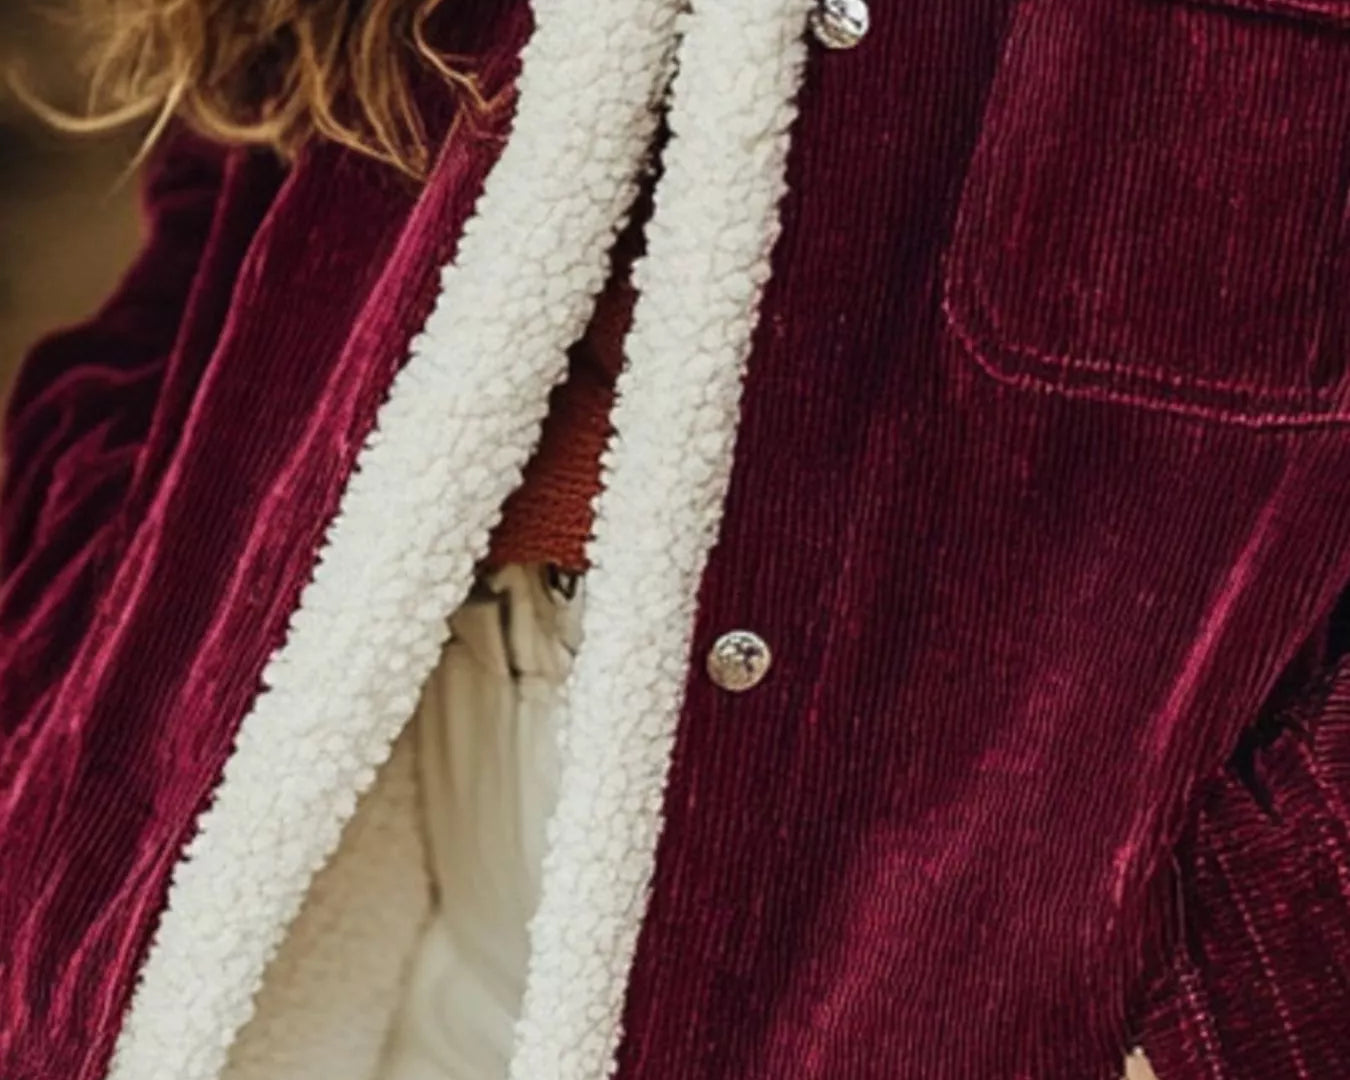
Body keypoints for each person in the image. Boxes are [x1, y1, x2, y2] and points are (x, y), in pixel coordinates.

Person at [2, 0, 1349, 1077]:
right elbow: (231, 186)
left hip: (980, 917)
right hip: (359, 824)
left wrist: (1240, 959)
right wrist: (69, 652)